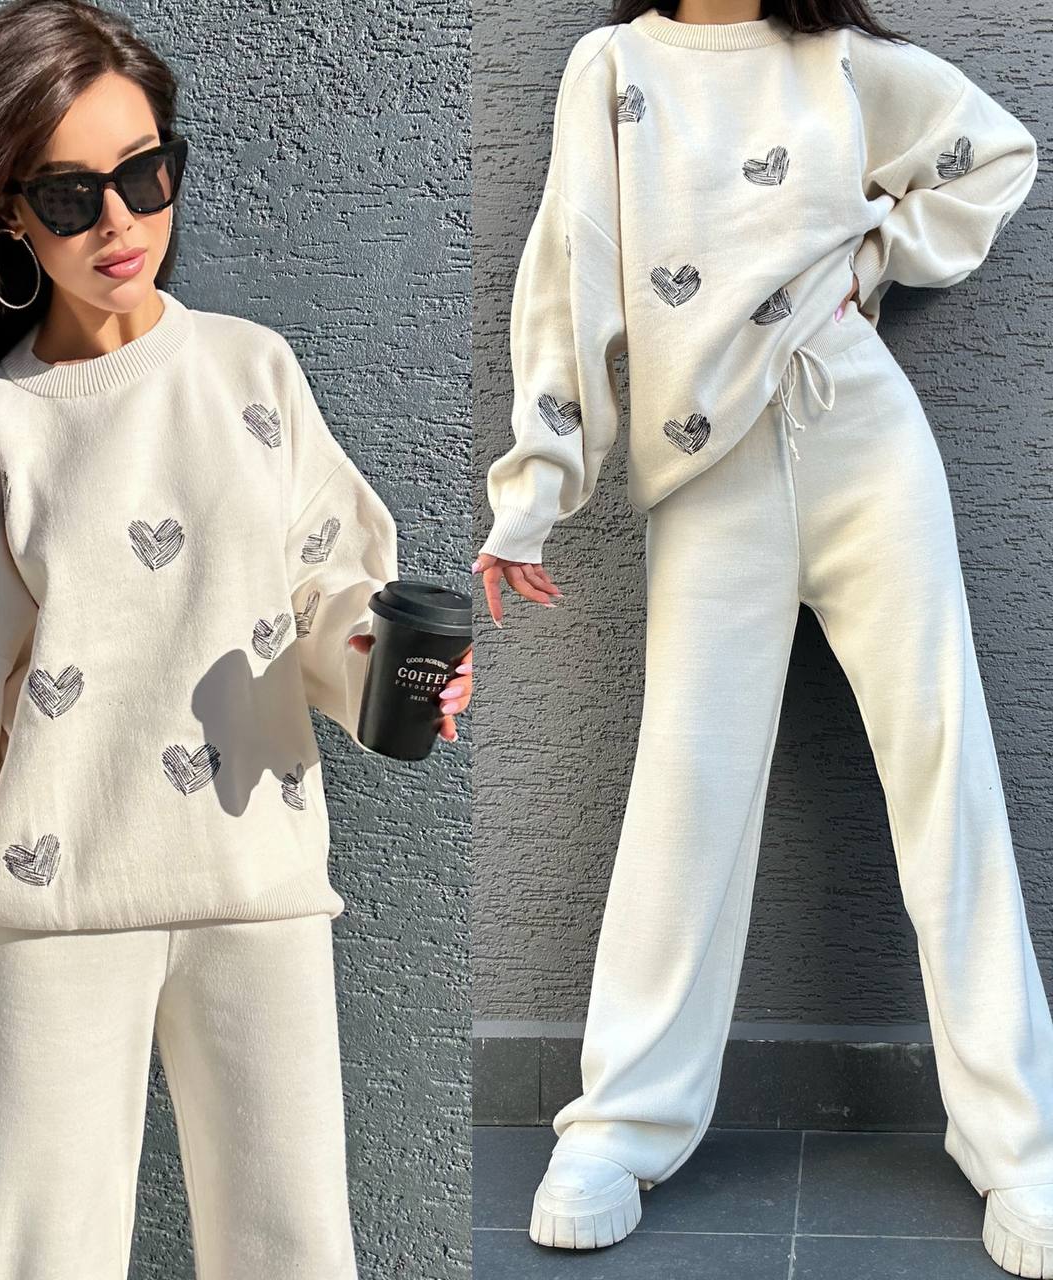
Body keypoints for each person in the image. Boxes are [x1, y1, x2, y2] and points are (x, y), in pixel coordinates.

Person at [0, 1, 472, 1275]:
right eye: (71, 192)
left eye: (147, 174)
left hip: (253, 879)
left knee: (292, 1248)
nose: (120, 222)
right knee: (28, 1251)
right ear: (7, 217)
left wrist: (389, 664)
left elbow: (326, 591)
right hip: (59, 890)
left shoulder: (251, 374)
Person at [473, 1, 1051, 1273]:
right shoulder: (611, 68)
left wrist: (873, 257)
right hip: (707, 482)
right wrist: (535, 488)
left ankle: (1018, 1142)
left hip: (864, 437)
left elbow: (994, 152)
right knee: (684, 790)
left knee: (943, 772)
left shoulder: (840, 63)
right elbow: (567, 270)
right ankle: (618, 1124)